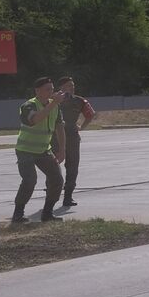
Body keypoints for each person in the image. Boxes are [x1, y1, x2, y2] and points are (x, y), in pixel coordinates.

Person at [12, 76, 66, 224]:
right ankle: (18, 214)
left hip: (43, 150)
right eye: (47, 89)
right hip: (25, 150)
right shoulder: (28, 105)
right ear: (38, 91)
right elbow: (35, 120)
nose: (51, 92)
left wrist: (62, 150)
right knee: (30, 180)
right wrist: (54, 103)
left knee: (57, 179)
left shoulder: (54, 106)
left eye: (52, 89)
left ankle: (47, 213)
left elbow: (60, 128)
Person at [56, 75, 96, 208]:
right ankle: (51, 193)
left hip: (72, 136)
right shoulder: (52, 99)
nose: (72, 88)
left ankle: (68, 197)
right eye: (69, 86)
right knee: (52, 166)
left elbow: (90, 115)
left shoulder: (80, 101)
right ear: (61, 87)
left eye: (73, 86)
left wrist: (81, 127)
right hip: (54, 136)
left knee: (72, 167)